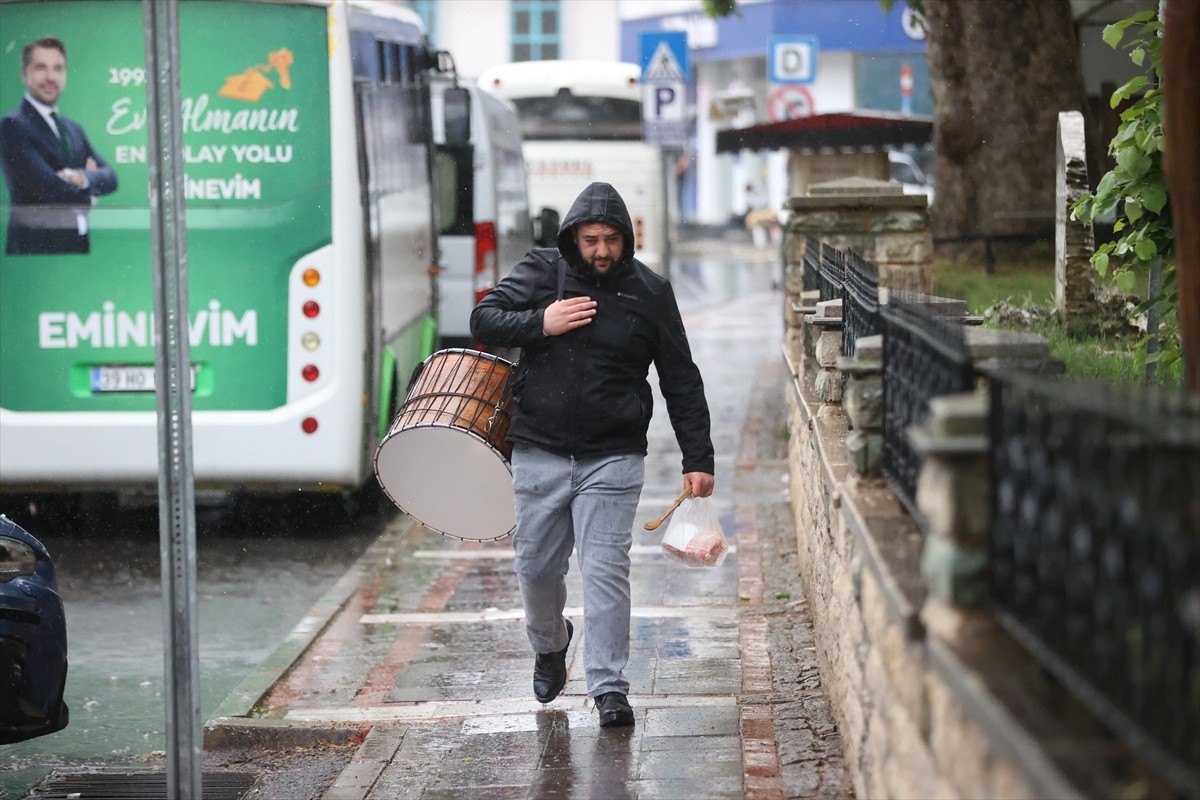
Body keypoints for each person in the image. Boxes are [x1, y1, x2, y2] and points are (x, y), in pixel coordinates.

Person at [470, 181, 715, 728]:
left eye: (611, 239)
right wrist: (540, 323)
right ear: (573, 238)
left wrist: (698, 458)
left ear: (626, 238)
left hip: (614, 455)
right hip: (539, 450)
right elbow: (483, 319)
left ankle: (609, 687)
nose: (601, 251)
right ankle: (551, 643)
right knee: (536, 567)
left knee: (605, 570)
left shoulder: (650, 291)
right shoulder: (543, 271)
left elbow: (680, 377)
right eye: (590, 240)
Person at [1, 36, 118, 255]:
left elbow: (112, 177)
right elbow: (51, 189)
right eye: (41, 67)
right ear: (24, 74)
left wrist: (79, 177)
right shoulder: (13, 125)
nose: (50, 77)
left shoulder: (73, 129)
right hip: (35, 254)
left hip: (78, 247)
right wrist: (91, 196)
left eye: (58, 68)